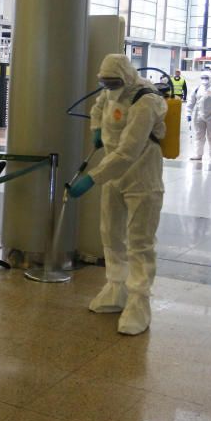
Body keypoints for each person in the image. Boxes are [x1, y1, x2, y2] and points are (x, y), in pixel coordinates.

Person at [68, 53, 167, 336]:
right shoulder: (111, 91)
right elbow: (99, 106)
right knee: (110, 233)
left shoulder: (146, 101)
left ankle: (138, 301)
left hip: (141, 175)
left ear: (125, 76)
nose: (108, 87)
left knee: (140, 241)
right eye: (104, 82)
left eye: (112, 82)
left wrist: (91, 178)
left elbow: (128, 151)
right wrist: (96, 129)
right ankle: (116, 288)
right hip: (113, 174)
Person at [186, 72, 211, 162]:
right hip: (199, 116)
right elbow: (191, 102)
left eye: (206, 77)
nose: (204, 79)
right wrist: (188, 113)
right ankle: (198, 154)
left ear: (210, 78)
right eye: (202, 77)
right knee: (198, 135)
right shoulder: (197, 89)